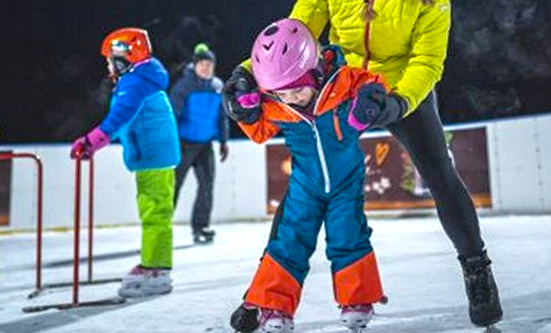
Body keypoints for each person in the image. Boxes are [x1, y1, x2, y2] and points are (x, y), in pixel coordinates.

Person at [224, 0, 502, 328]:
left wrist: (397, 102)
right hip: (340, 86)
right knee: (306, 189)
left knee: (440, 173)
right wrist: (247, 74)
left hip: (397, 91)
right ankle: (264, 296)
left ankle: (477, 268)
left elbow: (428, 59)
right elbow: (298, 33)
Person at [229, 19, 403, 333]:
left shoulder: (342, 82)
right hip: (304, 185)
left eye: (297, 88)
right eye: (281, 93)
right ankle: (274, 306)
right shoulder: (279, 104)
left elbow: (371, 81)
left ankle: (357, 299)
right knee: (290, 241)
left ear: (313, 70)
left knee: (348, 235)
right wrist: (243, 108)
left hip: (346, 183)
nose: (291, 98)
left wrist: (372, 97)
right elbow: (257, 132)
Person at [70, 27, 181, 298]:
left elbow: (121, 116)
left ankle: (157, 270)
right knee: (153, 210)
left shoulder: (135, 83)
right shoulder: (141, 79)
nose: (108, 65)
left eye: (110, 59)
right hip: (153, 156)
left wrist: (93, 140)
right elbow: (124, 119)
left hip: (154, 157)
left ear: (123, 57)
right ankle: (154, 264)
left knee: (155, 213)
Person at [169, 43, 229, 244]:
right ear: (194, 65)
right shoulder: (183, 86)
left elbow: (222, 117)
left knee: (206, 186)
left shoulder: (217, 86)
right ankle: (162, 226)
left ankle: (200, 227)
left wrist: (223, 141)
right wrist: (170, 142)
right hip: (183, 144)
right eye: (202, 63)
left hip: (205, 146)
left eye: (209, 64)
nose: (206, 67)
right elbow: (172, 116)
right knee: (174, 186)